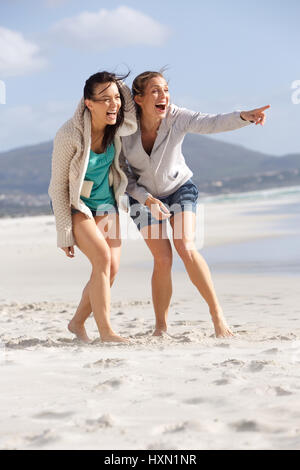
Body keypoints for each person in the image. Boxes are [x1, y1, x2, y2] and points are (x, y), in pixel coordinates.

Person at [120, 70, 270, 338]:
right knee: (162, 259)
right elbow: (124, 177)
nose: (163, 95)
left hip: (179, 188)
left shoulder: (176, 117)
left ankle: (217, 316)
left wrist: (244, 117)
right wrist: (147, 199)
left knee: (185, 247)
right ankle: (161, 327)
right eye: (155, 90)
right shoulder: (125, 129)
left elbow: (210, 122)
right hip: (141, 196)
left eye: (165, 90)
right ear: (139, 99)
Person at [48, 71, 137, 343]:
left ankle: (77, 323)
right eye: (105, 99)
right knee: (102, 259)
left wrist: (117, 84)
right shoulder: (69, 135)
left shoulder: (117, 125)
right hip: (80, 208)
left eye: (116, 99)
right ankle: (106, 332)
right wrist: (64, 232)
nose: (114, 105)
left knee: (110, 270)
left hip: (106, 204)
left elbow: (131, 111)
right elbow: (58, 187)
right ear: (88, 102)